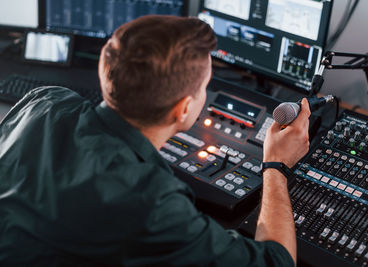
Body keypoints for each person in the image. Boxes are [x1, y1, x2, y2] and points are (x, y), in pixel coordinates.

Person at [0, 15, 310, 266]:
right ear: (184, 108)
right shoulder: (154, 203)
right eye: (205, 86)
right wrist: (276, 166)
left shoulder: (45, 101)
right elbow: (277, 262)